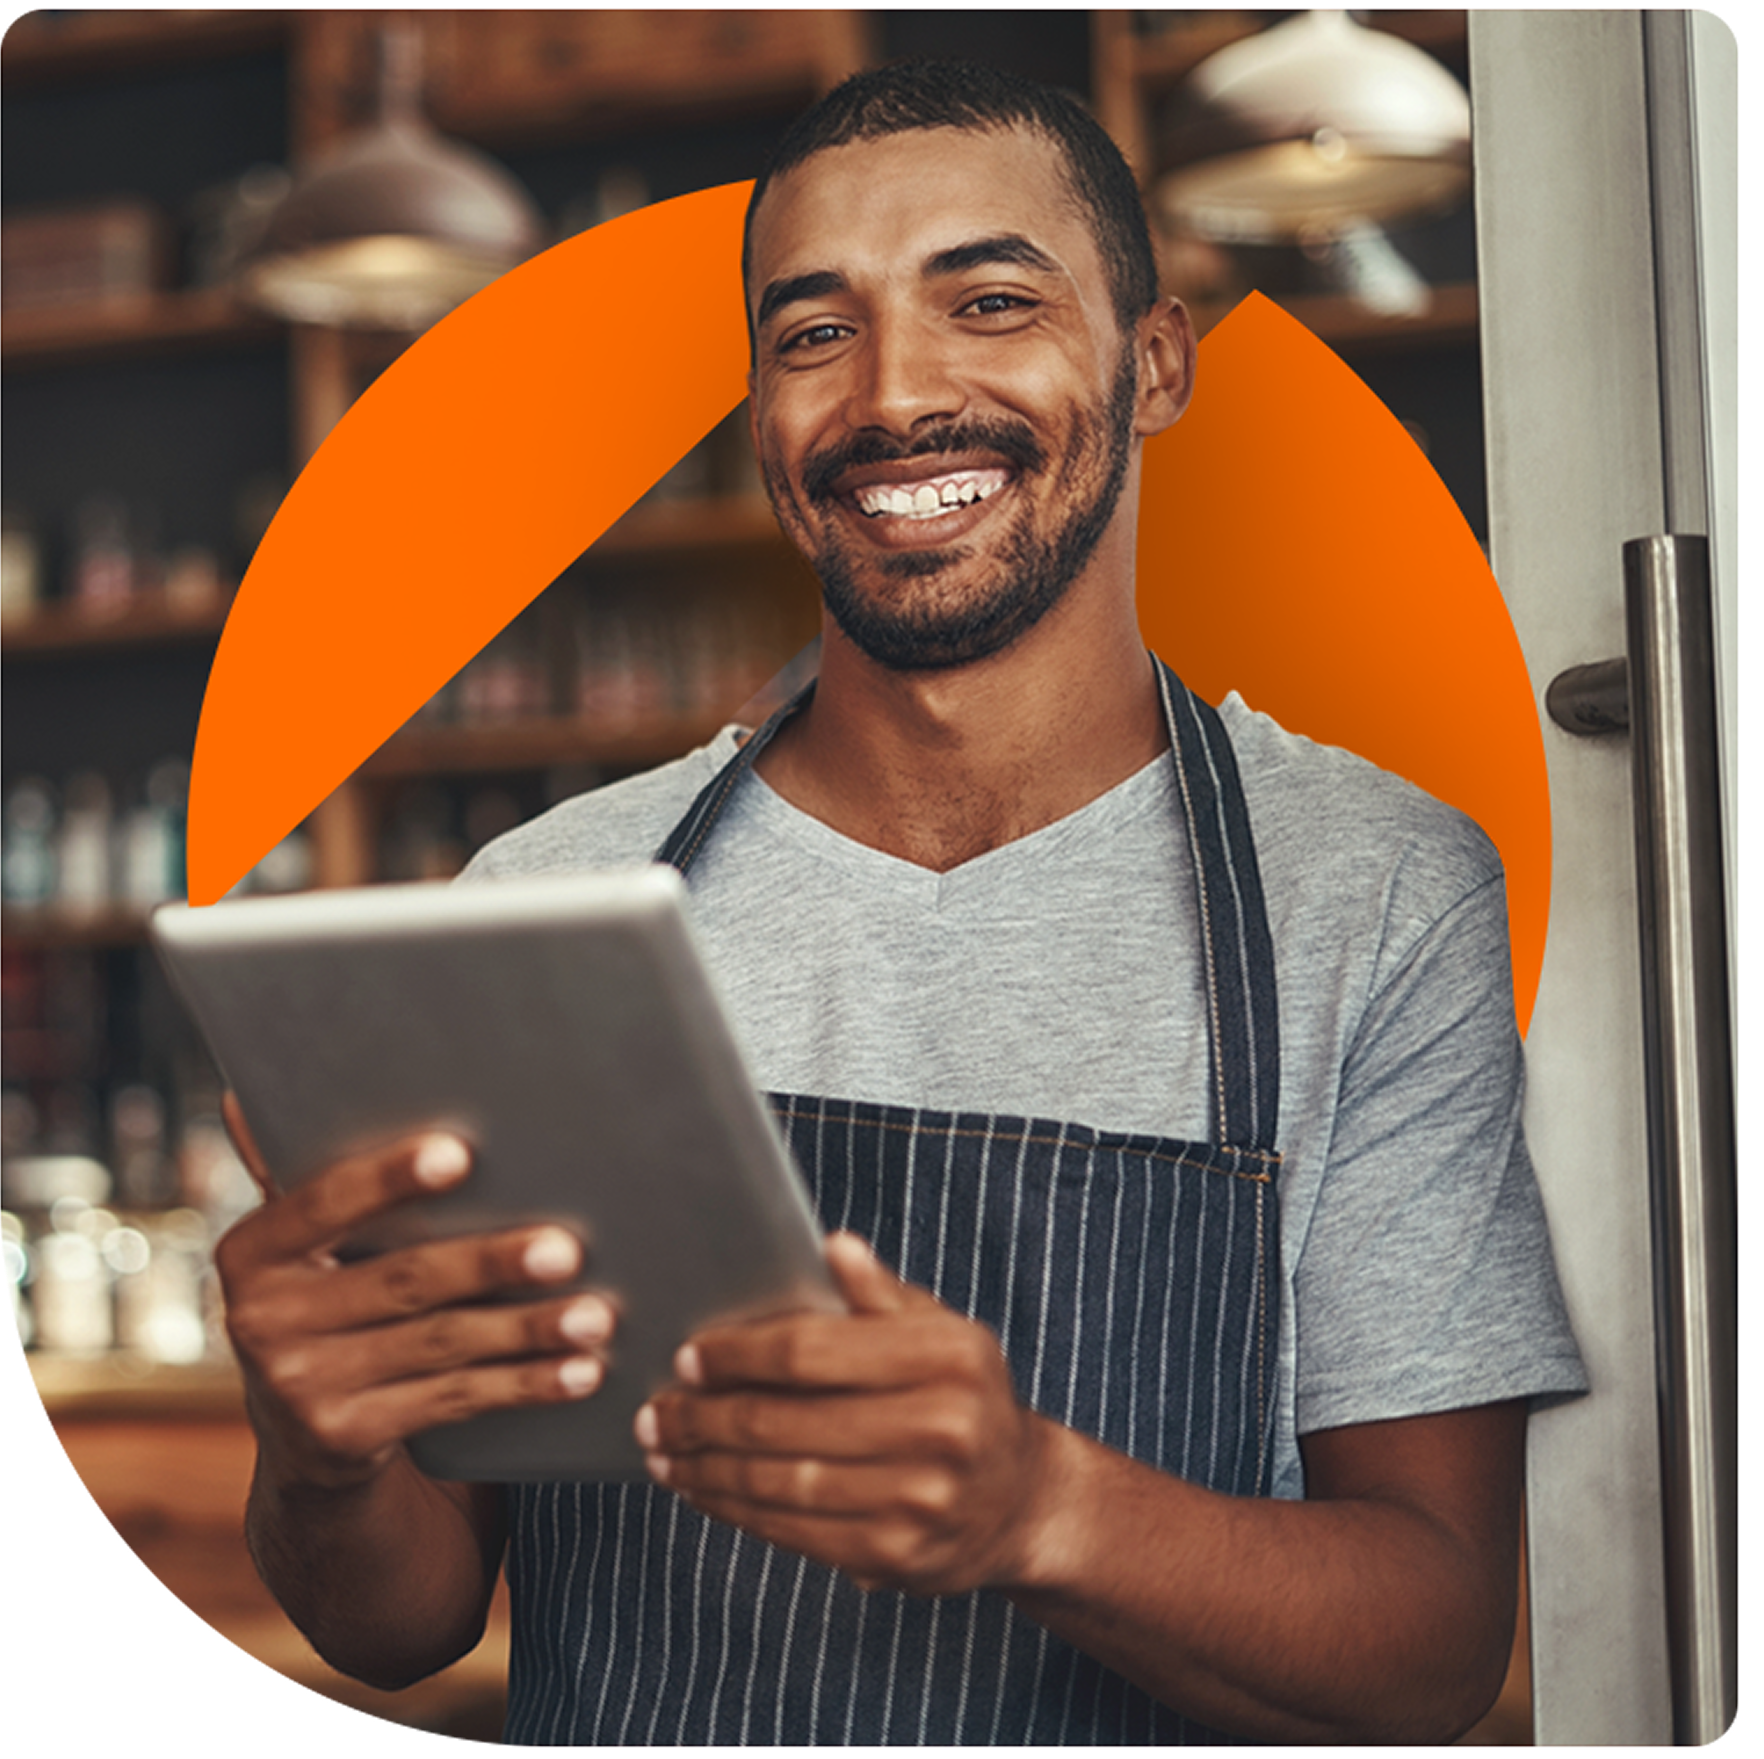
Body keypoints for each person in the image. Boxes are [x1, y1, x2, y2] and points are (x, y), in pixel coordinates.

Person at [214, 62, 1586, 1746]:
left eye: (990, 300)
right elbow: (405, 1623)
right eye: (814, 333)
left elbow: (1438, 1640)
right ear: (761, 405)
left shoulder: (1372, 893)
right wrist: (322, 1445)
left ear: (1153, 364)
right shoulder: (551, 901)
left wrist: (1038, 1508)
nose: (895, 395)